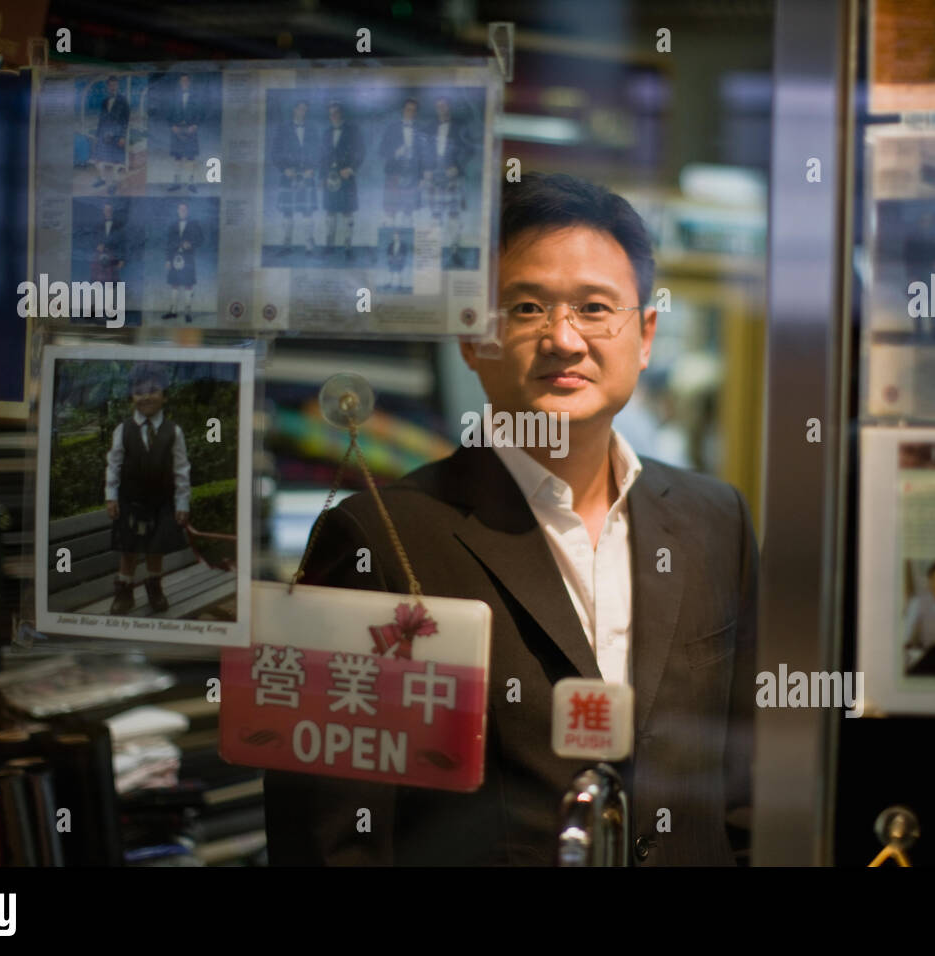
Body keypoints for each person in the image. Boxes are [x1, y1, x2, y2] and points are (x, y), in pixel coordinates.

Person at [264, 172, 759, 866]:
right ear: (473, 339)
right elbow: (330, 836)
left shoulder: (716, 521)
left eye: (594, 308)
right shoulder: (380, 539)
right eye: (526, 308)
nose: (563, 338)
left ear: (645, 337)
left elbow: (748, 786)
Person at [104, 363, 190, 616]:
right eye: (139, 391)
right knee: (128, 550)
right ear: (131, 396)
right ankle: (124, 592)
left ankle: (154, 587)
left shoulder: (174, 432)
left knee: (156, 549)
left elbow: (181, 470)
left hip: (161, 503)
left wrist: (182, 503)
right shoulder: (123, 429)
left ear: (164, 394)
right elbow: (113, 464)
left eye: (153, 390)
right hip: (130, 502)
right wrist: (111, 496)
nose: (146, 396)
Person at [424, 96, 472, 267]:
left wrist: (458, 167)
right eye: (439, 107)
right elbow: (423, 151)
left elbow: (469, 150)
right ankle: (435, 253)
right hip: (434, 178)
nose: (442, 110)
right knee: (435, 216)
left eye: (444, 106)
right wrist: (425, 170)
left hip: (453, 177)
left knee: (454, 215)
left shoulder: (459, 128)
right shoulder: (429, 129)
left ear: (449, 108)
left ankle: (454, 251)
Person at [272, 100, 321, 254]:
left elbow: (319, 153)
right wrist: (284, 169)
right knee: (287, 211)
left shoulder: (312, 130)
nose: (302, 112)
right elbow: (275, 152)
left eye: (305, 110)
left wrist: (312, 169)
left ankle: (309, 246)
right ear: (294, 110)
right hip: (288, 175)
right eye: (300, 109)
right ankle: (286, 246)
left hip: (307, 175)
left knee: (307, 212)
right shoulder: (283, 129)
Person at [320, 102, 365, 260]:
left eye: (336, 113)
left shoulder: (353, 131)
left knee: (348, 212)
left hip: (346, 177)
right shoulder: (326, 133)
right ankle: (329, 245)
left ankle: (348, 247)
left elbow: (361, 152)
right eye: (331, 114)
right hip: (329, 178)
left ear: (342, 114)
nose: (334, 116)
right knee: (330, 212)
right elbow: (321, 157)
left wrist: (351, 169)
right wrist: (322, 177)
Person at [379, 98, 424, 227]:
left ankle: (406, 243)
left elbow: (423, 156)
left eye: (414, 111)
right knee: (391, 210)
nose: (411, 112)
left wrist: (421, 177)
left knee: (408, 211)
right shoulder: (392, 128)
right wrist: (395, 153)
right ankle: (391, 244)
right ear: (403, 111)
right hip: (394, 172)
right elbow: (381, 151)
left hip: (412, 174)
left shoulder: (420, 130)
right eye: (408, 109)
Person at [163, 202, 204, 322]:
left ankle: (187, 312)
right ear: (177, 211)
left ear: (188, 211)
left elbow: (201, 239)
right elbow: (168, 243)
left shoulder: (194, 224)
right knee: (174, 283)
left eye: (185, 209)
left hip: (188, 258)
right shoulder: (172, 225)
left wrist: (191, 244)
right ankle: (173, 311)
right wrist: (167, 259)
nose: (182, 211)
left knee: (188, 284)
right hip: (174, 257)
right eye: (180, 209)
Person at [166, 73, 203, 194]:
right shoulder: (173, 97)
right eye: (182, 81)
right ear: (180, 83)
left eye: (186, 81)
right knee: (177, 156)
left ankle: (191, 183)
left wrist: (196, 125)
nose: (184, 83)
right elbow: (168, 113)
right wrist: (172, 126)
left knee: (191, 156)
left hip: (191, 129)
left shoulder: (196, 97)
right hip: (177, 129)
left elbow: (201, 112)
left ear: (189, 82)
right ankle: (176, 182)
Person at [93, 76, 130, 196]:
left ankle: (113, 185)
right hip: (103, 136)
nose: (112, 87)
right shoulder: (104, 101)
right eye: (110, 85)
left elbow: (125, 121)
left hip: (117, 136)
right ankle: (103, 180)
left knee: (115, 163)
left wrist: (122, 137)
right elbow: (101, 120)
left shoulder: (123, 101)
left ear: (117, 86)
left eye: (114, 84)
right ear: (108, 86)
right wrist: (97, 136)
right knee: (99, 160)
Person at [89, 202, 125, 284]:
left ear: (112, 211)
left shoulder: (119, 225)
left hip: (113, 256)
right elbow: (91, 240)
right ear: (103, 211)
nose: (108, 212)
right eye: (106, 210)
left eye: (110, 210)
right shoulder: (97, 225)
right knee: (97, 281)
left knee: (112, 279)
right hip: (99, 256)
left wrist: (122, 259)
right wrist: (97, 246)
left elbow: (123, 243)